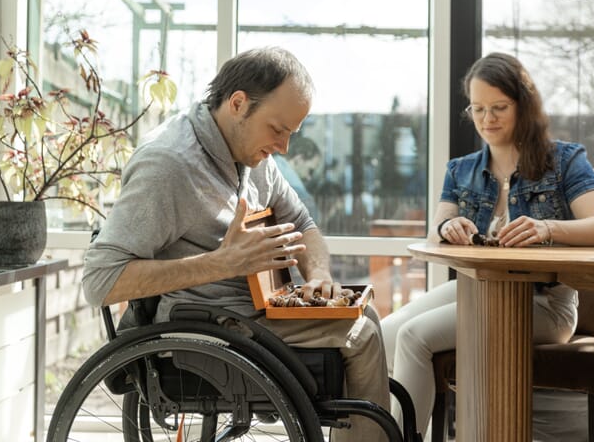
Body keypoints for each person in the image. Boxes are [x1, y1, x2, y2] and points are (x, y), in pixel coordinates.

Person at [82, 47, 390, 441]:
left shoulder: (252, 155)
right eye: (277, 129)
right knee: (360, 334)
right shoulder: (168, 166)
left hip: (253, 313)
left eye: (291, 133)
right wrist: (221, 263)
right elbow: (100, 281)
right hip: (208, 326)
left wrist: (318, 275)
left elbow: (303, 223)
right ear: (238, 104)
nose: (284, 147)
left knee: (365, 316)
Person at [380, 52, 594, 436]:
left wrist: (546, 228)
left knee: (413, 337)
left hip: (546, 305)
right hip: (478, 291)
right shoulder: (462, 170)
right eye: (477, 109)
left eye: (499, 108)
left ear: (524, 104)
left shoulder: (565, 160)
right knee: (383, 333)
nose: (487, 119)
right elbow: (436, 230)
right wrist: (448, 227)